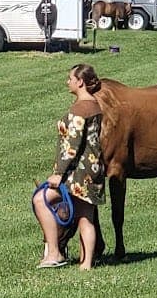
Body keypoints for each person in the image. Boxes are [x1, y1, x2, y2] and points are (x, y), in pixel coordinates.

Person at [32, 64, 106, 271]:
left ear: (80, 82)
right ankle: (86, 265)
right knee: (86, 218)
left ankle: (54, 253)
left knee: (41, 199)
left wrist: (58, 174)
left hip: (77, 172)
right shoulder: (95, 105)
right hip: (94, 169)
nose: (68, 82)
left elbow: (71, 146)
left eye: (70, 78)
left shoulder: (80, 109)